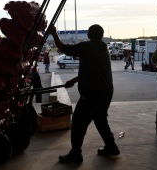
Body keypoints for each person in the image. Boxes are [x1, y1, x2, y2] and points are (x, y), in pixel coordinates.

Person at [48, 24, 119, 163]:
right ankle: (112, 147)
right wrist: (74, 80)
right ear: (101, 35)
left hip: (92, 94)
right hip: (105, 92)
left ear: (88, 35)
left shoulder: (87, 46)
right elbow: (93, 71)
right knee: (100, 120)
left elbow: (64, 49)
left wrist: (54, 34)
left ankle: (76, 154)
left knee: (78, 123)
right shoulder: (103, 49)